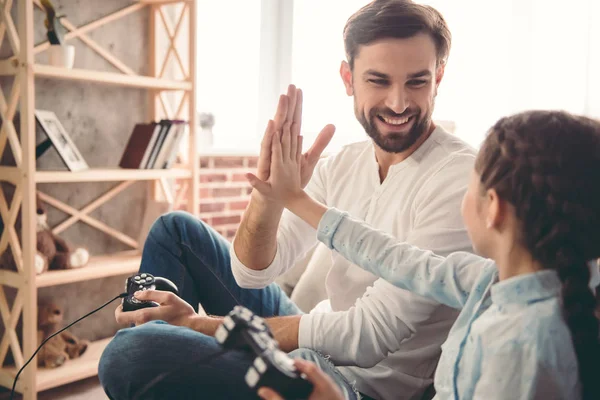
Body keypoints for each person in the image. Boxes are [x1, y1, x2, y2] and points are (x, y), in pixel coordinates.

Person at [98, 1, 476, 399]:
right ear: (348, 78)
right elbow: (252, 274)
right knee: (175, 231)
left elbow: (368, 336)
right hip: (312, 342)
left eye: (417, 82)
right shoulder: (343, 163)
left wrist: (197, 326)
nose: (398, 103)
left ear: (439, 76)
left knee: (130, 355)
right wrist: (267, 198)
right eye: (379, 81)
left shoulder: (459, 178)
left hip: (351, 387)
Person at [250, 109, 600, 400]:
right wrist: (295, 199)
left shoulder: (520, 348)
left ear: (493, 207)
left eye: (471, 183)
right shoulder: (490, 282)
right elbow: (398, 260)